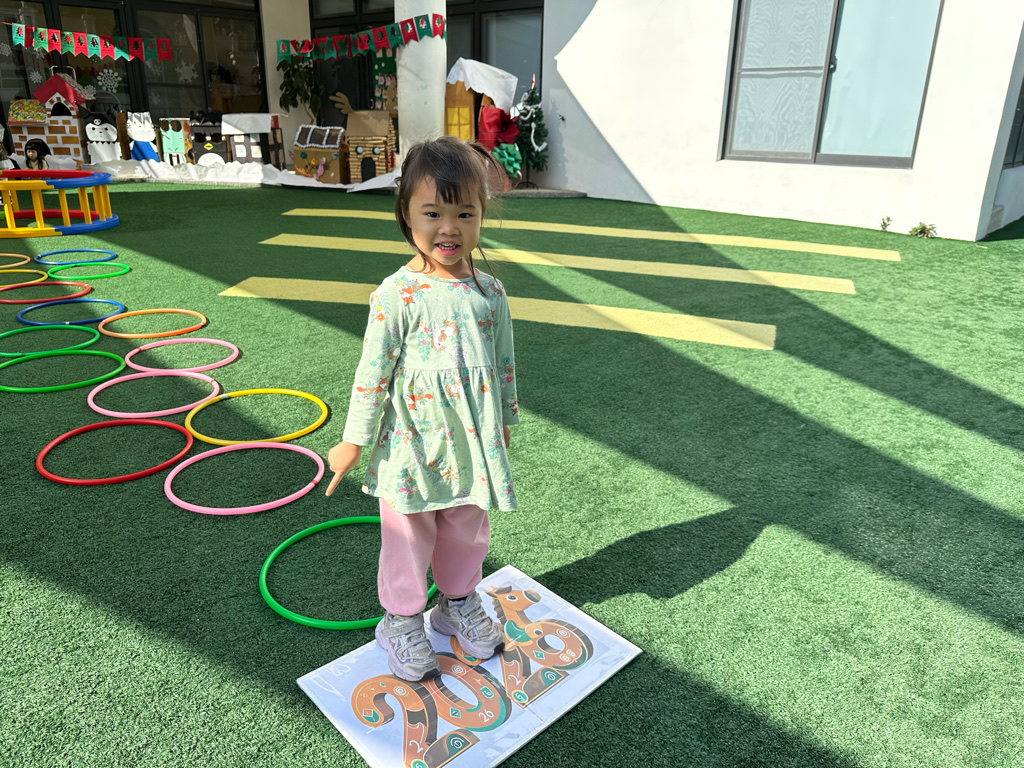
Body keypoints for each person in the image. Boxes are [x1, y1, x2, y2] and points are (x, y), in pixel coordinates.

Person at [326, 135, 519, 682]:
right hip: (411, 446)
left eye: (465, 213)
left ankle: (456, 603)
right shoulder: (397, 294)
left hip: (471, 444)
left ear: (482, 214)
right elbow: (373, 373)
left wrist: (505, 421)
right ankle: (401, 620)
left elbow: (504, 362)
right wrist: (354, 440)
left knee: (466, 528)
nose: (449, 228)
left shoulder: (491, 292)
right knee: (408, 537)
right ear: (406, 214)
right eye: (432, 213)